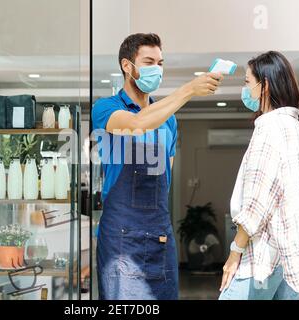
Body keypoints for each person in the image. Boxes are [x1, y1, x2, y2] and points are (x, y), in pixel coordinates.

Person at [91, 33, 223, 300]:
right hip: (121, 240)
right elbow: (137, 124)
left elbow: (166, 179)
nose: (157, 69)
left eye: (161, 63)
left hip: (159, 236)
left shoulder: (169, 121)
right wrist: (188, 89)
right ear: (127, 66)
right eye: (149, 61)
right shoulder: (105, 108)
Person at [219, 51, 299, 300]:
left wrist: (234, 252)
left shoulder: (270, 128)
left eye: (247, 82)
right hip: (293, 257)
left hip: (264, 257)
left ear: (264, 85)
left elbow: (257, 203)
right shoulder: (295, 129)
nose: (245, 90)